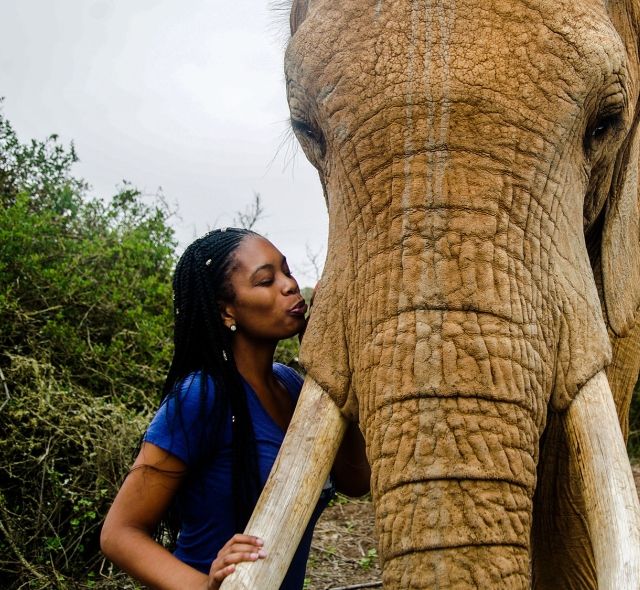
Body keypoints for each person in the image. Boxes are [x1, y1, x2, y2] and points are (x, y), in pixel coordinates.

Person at [100, 227, 370, 590]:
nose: (289, 286)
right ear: (226, 310)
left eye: (287, 272)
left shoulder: (292, 387)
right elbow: (120, 533)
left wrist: (329, 360)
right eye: (265, 281)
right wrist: (204, 586)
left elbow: (356, 481)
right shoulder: (203, 395)